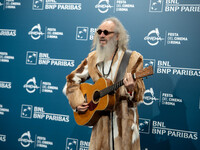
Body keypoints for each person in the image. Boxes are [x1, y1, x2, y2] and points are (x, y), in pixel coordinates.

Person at [63, 17, 145, 150]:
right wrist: (77, 102)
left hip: (125, 129)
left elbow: (138, 93)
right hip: (100, 128)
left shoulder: (132, 59)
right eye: (99, 32)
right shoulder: (92, 58)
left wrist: (131, 89)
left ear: (117, 36)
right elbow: (72, 79)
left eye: (106, 32)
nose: (101, 35)